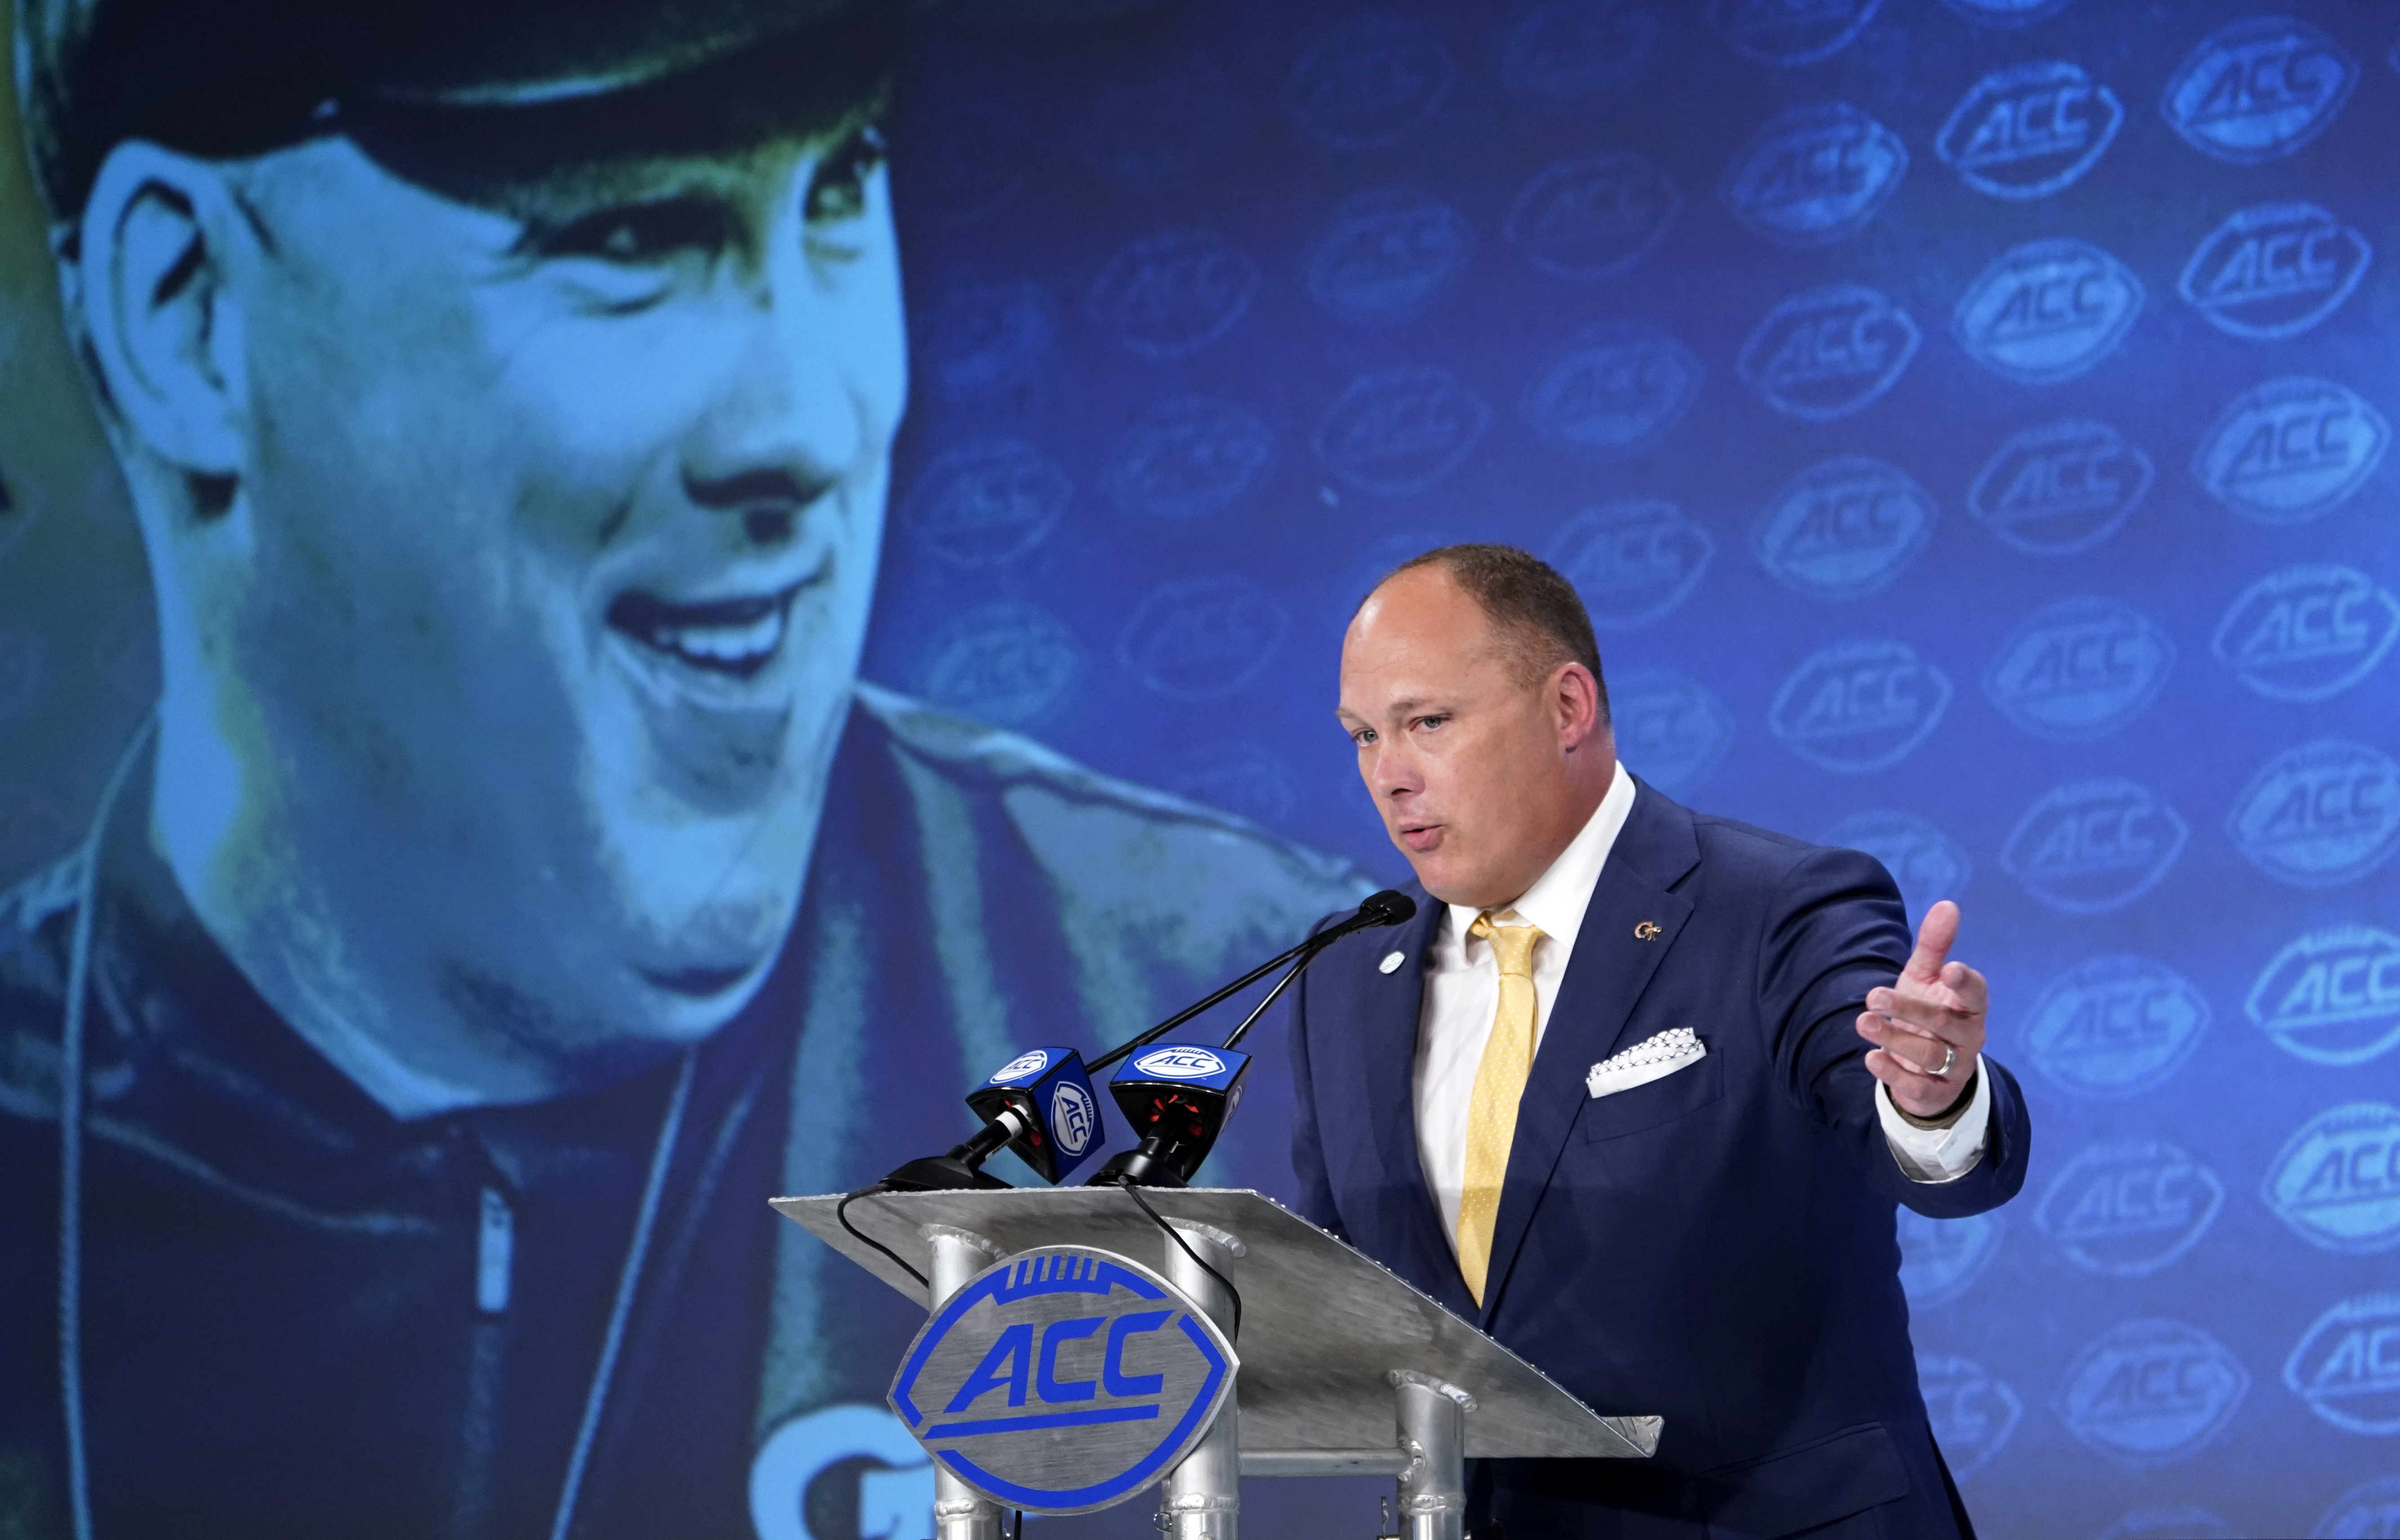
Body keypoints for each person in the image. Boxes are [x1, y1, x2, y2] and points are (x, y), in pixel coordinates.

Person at [0, 2, 1370, 1535]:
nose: (806, 422)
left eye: (839, 188)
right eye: (635, 234)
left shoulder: (1262, 1047)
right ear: (184, 312)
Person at [1290, 545, 2032, 1539]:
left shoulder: (1773, 909)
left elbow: (1914, 1136)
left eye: (1427, 722)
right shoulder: (1345, 976)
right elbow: (1331, 1288)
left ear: (1566, 708)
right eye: (1360, 736)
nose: (1388, 775)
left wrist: (1927, 1096)